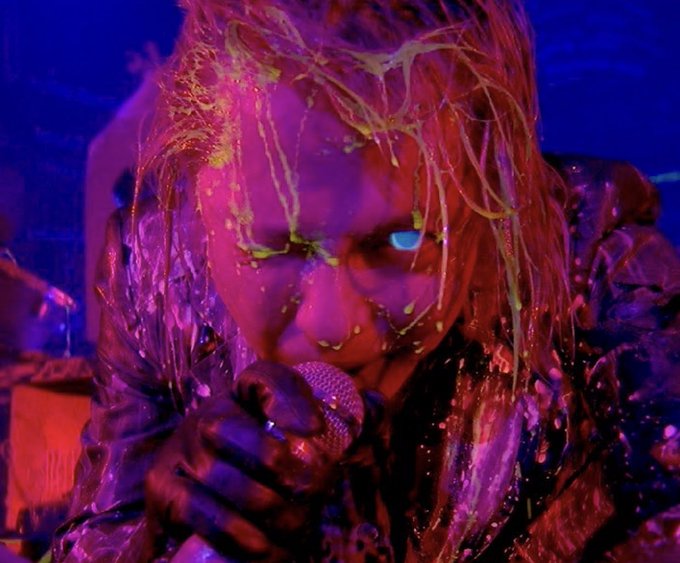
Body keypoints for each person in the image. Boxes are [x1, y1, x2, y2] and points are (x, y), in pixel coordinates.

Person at [53, 1, 680, 561]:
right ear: (199, 196)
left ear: (491, 185)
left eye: (405, 239)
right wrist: (156, 539)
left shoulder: (592, 253)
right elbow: (97, 539)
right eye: (271, 246)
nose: (332, 325)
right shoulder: (153, 266)